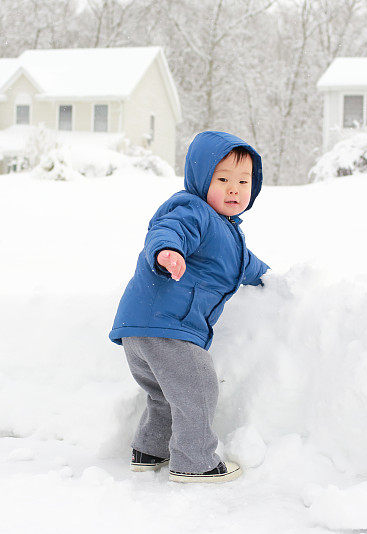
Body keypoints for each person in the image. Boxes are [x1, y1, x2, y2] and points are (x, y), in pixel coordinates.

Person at [109, 131, 269, 483]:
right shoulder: (191, 210)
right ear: (200, 178)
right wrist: (168, 252)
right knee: (198, 389)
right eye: (223, 179)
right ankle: (195, 462)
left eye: (244, 181)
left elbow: (244, 264)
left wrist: (270, 278)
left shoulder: (227, 232)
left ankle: (149, 450)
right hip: (169, 328)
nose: (234, 189)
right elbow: (168, 230)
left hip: (141, 328)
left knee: (165, 395)